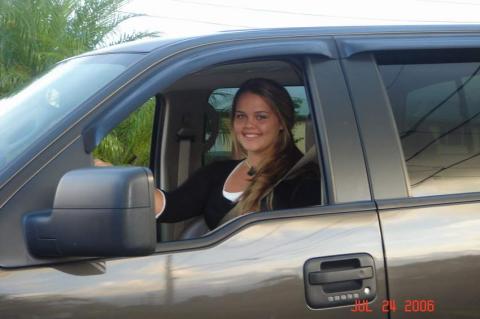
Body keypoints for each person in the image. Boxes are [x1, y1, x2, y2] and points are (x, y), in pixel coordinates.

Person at [154, 78, 320, 231]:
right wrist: (136, 193)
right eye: (241, 116)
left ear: (282, 123)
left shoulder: (302, 180)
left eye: (261, 117)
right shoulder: (217, 173)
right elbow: (172, 206)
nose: (249, 125)